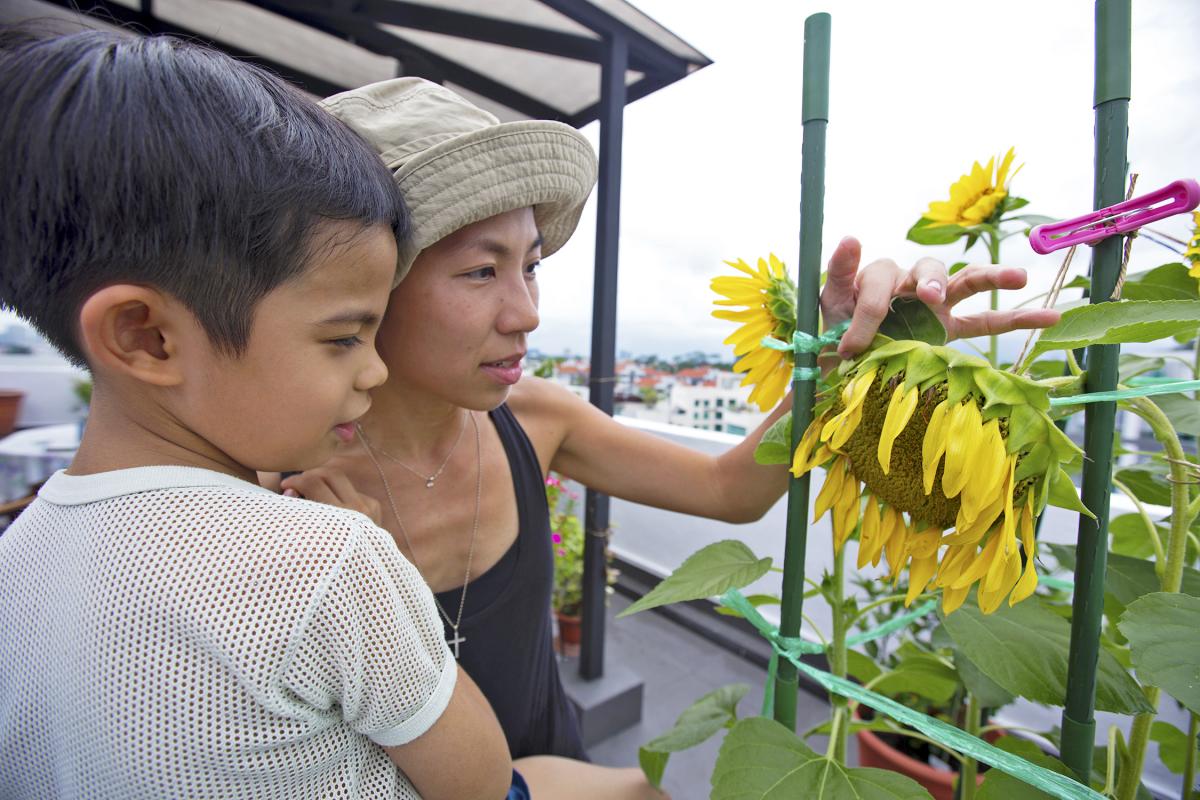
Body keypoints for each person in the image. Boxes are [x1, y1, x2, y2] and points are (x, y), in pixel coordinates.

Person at [279, 73, 1063, 779]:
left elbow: (729, 491)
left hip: (566, 768)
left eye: (531, 265)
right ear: (372, 282)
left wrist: (841, 357)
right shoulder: (273, 488)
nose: (526, 313)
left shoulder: (537, 419)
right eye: (481, 271)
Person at [0, 30, 514, 799]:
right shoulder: (328, 558)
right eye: (343, 336)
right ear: (147, 336)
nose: (373, 369)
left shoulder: (18, 556)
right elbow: (481, 782)